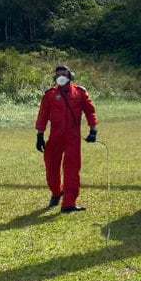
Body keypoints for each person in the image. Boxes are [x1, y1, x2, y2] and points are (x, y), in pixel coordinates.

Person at [35, 65, 98, 213]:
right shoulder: (50, 95)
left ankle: (69, 203)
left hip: (72, 136)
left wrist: (93, 130)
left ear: (70, 75)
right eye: (58, 75)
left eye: (63, 73)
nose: (60, 76)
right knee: (51, 167)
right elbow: (42, 115)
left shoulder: (80, 92)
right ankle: (57, 192)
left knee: (72, 169)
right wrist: (39, 135)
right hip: (55, 136)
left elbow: (90, 111)